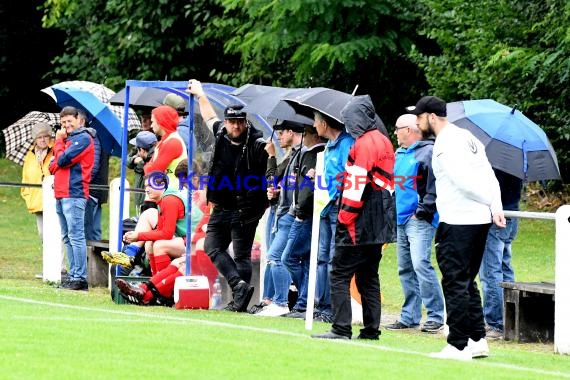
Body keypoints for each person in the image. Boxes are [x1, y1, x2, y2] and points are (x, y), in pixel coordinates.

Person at [406, 95, 506, 360]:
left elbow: (462, 181)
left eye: (419, 117)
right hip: (479, 219)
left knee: (454, 281)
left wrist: (490, 202)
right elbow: (489, 175)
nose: (417, 123)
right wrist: (494, 205)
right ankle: (477, 339)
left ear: (431, 117)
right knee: (465, 281)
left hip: (459, 221)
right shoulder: (468, 137)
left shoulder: (444, 144)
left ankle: (458, 344)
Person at [312, 95, 395, 340]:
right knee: (369, 274)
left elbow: (356, 185)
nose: (347, 125)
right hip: (380, 216)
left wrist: (345, 216)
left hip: (360, 218)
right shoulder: (384, 140)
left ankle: (340, 328)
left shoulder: (365, 143)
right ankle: (371, 329)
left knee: (339, 272)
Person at [187, 79, 268, 312]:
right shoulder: (221, 133)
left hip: (245, 210)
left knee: (242, 256)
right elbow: (208, 116)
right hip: (220, 206)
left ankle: (239, 303)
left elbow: (268, 163)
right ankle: (239, 287)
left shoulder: (256, 143)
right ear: (226, 122)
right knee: (212, 246)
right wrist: (201, 94)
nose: (235, 126)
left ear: (246, 122)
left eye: (239, 122)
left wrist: (270, 155)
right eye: (232, 121)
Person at [386, 114, 445, 333]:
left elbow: (434, 186)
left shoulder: (427, 152)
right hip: (400, 218)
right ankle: (409, 315)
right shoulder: (399, 154)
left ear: (409, 130)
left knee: (421, 264)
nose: (395, 132)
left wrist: (422, 211)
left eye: (397, 128)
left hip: (418, 219)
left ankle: (436, 315)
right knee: (405, 268)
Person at [253, 122, 305, 316]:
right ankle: (270, 298)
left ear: (291, 132)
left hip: (287, 213)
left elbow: (273, 179)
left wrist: (271, 156)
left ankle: (281, 301)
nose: (279, 137)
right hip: (278, 210)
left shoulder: (297, 155)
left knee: (277, 257)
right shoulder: (290, 155)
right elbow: (274, 183)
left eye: (281, 133)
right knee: (272, 257)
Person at [311, 110, 355, 323]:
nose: (314, 126)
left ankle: (332, 309)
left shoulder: (347, 144)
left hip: (338, 208)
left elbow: (351, 176)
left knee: (332, 259)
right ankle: (323, 305)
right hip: (325, 207)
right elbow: (328, 175)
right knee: (321, 258)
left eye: (315, 122)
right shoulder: (329, 145)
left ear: (324, 124)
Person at [281, 124, 326, 317]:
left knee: (288, 257)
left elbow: (308, 189)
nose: (303, 137)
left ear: (315, 136)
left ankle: (307, 299)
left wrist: (299, 211)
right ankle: (303, 302)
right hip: (305, 213)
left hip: (305, 215)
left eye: (306, 133)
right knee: (307, 260)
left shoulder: (315, 154)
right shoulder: (306, 153)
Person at [49, 106, 94, 291]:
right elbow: (52, 167)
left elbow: (60, 161)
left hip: (74, 193)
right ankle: (73, 275)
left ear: (79, 120)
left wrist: (59, 144)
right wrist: (60, 155)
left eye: (69, 121)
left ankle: (80, 278)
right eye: (63, 122)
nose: (66, 125)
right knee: (67, 237)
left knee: (76, 236)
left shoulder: (83, 138)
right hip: (61, 193)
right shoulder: (68, 140)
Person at [479, 169, 522, 339]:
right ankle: (510, 319)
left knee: (491, 272)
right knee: (505, 269)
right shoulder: (515, 161)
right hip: (512, 215)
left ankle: (494, 322)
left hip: (497, 219)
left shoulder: (495, 166)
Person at [21, 122, 55, 276]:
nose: (42, 139)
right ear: (34, 139)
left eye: (45, 136)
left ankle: (56, 268)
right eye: (39, 137)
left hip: (53, 200)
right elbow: (25, 178)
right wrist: (27, 196)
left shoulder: (55, 151)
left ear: (50, 137)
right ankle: (47, 267)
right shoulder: (30, 155)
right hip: (36, 201)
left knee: (54, 234)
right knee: (43, 235)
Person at [79, 110, 110, 241]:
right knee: (93, 229)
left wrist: (80, 182)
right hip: (96, 188)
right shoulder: (97, 135)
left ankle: (89, 261)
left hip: (91, 189)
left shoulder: (91, 137)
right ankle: (93, 260)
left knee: (88, 230)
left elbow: (93, 167)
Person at [144, 105, 187, 190]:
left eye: (153, 122)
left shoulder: (172, 142)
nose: (151, 125)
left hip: (173, 192)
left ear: (161, 122)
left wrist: (147, 166)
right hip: (169, 190)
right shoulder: (166, 140)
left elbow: (152, 171)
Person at [127, 130, 158, 215]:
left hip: (146, 201)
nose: (136, 153)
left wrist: (140, 164)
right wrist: (134, 159)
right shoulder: (156, 152)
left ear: (142, 150)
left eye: (138, 150)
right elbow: (127, 161)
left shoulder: (152, 160)